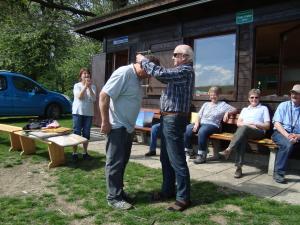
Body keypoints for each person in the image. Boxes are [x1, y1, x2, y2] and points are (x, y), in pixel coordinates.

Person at [136, 44, 194, 212]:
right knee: (165, 158)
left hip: (174, 119)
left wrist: (144, 60)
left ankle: (183, 198)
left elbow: (161, 74)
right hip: (168, 118)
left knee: (176, 159)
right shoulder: (181, 71)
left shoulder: (186, 70)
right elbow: (164, 74)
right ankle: (167, 191)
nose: (173, 57)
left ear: (185, 57)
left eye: (176, 54)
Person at [99, 55, 160, 210]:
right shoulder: (124, 72)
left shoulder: (136, 78)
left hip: (127, 128)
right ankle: (113, 198)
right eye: (149, 72)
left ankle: (119, 192)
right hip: (116, 126)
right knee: (114, 163)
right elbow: (104, 95)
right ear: (142, 65)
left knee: (122, 162)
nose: (150, 76)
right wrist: (105, 121)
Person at [219, 89, 270, 178]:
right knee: (242, 137)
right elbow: (238, 123)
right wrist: (248, 125)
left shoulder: (263, 108)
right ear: (248, 99)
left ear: (259, 98)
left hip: (258, 132)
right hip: (245, 131)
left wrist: (256, 124)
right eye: (252, 97)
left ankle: (229, 149)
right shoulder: (245, 109)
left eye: (256, 97)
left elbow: (267, 125)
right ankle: (238, 168)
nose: (254, 99)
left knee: (243, 129)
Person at [184, 86, 237, 164]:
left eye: (215, 94)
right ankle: (190, 152)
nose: (213, 96)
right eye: (211, 95)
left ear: (219, 95)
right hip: (202, 123)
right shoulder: (206, 104)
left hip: (214, 125)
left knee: (202, 131)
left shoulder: (222, 104)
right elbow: (199, 115)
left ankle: (201, 155)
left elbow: (235, 109)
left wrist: (227, 113)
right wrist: (196, 124)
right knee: (187, 128)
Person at [272, 84, 300, 184]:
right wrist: (288, 136)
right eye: (292, 93)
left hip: (297, 135)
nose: (294, 95)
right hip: (281, 133)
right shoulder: (283, 105)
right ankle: (278, 173)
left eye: (297, 93)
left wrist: (297, 136)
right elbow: (277, 123)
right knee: (287, 145)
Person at [72, 68, 96, 161]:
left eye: (88, 74)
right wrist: (85, 86)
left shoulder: (93, 86)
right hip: (78, 112)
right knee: (76, 132)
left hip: (89, 113)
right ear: (80, 76)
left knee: (86, 133)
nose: (86, 75)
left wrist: (89, 87)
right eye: (84, 74)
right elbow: (80, 97)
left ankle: (85, 153)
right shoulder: (77, 86)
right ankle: (74, 153)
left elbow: (94, 99)